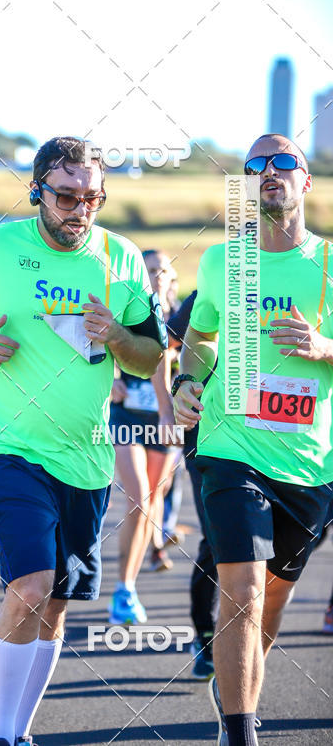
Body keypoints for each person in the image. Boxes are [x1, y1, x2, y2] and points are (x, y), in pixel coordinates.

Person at [0, 136, 165, 746]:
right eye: (66, 196)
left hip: (85, 457)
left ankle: (20, 731)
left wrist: (120, 338)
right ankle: (0, 734)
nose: (79, 210)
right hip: (7, 445)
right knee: (30, 585)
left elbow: (149, 355)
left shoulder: (121, 257)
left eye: (92, 198)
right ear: (37, 191)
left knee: (55, 605)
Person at [173, 134, 333, 745]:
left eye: (283, 162)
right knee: (238, 588)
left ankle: (236, 692)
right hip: (228, 449)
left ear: (305, 180)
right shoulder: (220, 262)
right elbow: (200, 336)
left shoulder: (326, 264)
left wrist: (321, 348)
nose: (269, 172)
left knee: (265, 611)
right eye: (255, 167)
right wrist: (188, 378)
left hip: (308, 463)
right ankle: (240, 733)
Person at [108, 249, 179, 626]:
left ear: (171, 278)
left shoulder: (182, 317)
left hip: (164, 421)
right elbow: (97, 344)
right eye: (148, 269)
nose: (154, 275)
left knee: (153, 498)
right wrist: (112, 379)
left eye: (161, 270)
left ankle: (134, 578)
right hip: (127, 417)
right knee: (137, 498)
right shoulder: (129, 310)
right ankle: (124, 589)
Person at [168, 288, 219, 680]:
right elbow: (162, 348)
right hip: (208, 437)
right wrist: (173, 392)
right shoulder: (213, 284)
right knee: (218, 539)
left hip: (280, 439)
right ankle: (206, 640)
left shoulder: (307, 279)